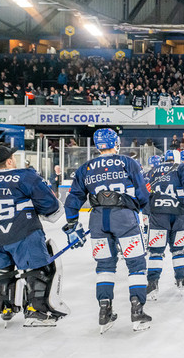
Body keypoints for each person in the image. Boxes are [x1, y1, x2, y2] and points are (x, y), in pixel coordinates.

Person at [64, 128, 151, 333]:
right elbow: (143, 194)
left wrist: (72, 224)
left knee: (104, 266)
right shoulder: (128, 162)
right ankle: (137, 311)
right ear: (115, 143)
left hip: (97, 221)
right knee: (136, 264)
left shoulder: (85, 168)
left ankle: (104, 311)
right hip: (124, 219)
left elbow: (73, 199)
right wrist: (136, 208)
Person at [0, 146, 69, 327]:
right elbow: (49, 204)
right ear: (10, 161)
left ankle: (5, 307)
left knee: (3, 272)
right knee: (39, 270)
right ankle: (36, 311)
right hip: (22, 234)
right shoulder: (25, 176)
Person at [145, 150, 184, 300]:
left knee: (156, 251)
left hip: (158, 214)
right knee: (178, 249)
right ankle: (180, 279)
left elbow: (144, 190)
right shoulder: (182, 168)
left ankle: (152, 283)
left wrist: (147, 210)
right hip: (179, 214)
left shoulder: (153, 170)